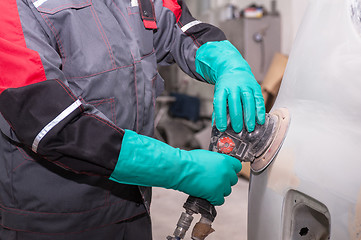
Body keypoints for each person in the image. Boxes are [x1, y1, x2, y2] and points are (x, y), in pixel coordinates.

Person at [0, 0, 265, 239]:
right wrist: (181, 168)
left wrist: (228, 64)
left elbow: (179, 28)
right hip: (52, 222)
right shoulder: (12, 7)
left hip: (134, 206)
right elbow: (52, 124)